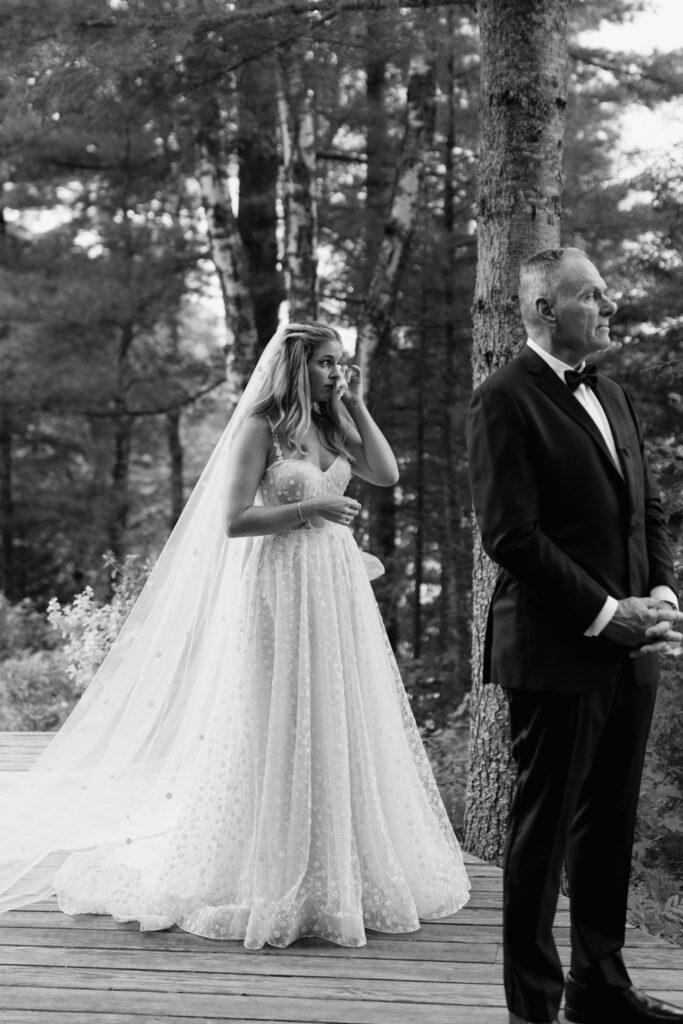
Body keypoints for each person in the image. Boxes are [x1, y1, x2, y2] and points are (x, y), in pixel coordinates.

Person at [0, 321, 469, 949]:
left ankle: (337, 862)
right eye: (328, 364)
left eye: (341, 364)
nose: (337, 372)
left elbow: (386, 474)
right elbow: (234, 520)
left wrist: (355, 403)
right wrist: (311, 508)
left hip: (335, 588)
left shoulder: (334, 425)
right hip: (281, 585)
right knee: (280, 714)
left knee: (336, 712)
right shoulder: (262, 428)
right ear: (298, 366)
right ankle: (269, 866)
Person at [466, 248, 683, 1024]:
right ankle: (533, 1008)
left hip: (631, 650)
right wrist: (603, 612)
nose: (609, 306)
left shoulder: (615, 394)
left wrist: (656, 594)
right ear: (543, 310)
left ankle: (600, 988)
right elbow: (511, 536)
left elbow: (647, 511)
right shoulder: (502, 398)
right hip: (557, 649)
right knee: (542, 835)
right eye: (591, 296)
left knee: (608, 827)